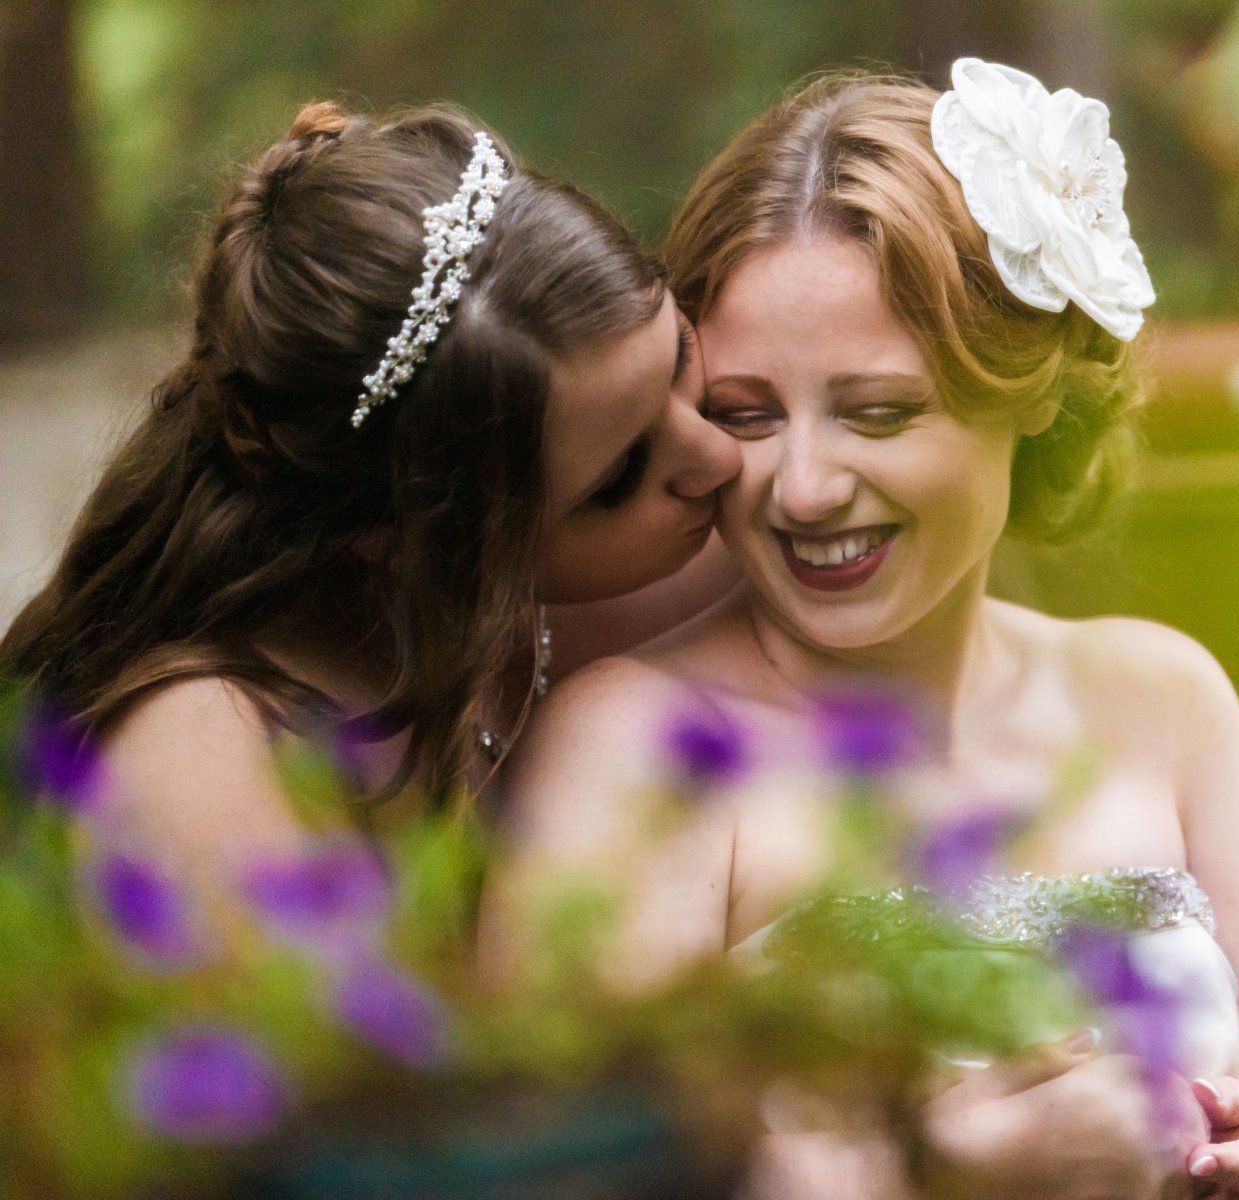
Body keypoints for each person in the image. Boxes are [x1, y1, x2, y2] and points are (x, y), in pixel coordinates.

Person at [487, 62, 1239, 1199]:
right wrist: (965, 1163)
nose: (803, 488)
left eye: (877, 412)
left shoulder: (1165, 696)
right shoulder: (640, 743)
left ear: (1029, 388)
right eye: (746, 416)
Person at [0, 101, 740, 915]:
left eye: (679, 355)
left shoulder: (637, 545)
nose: (720, 457)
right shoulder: (212, 766)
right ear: (398, 535)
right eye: (616, 481)